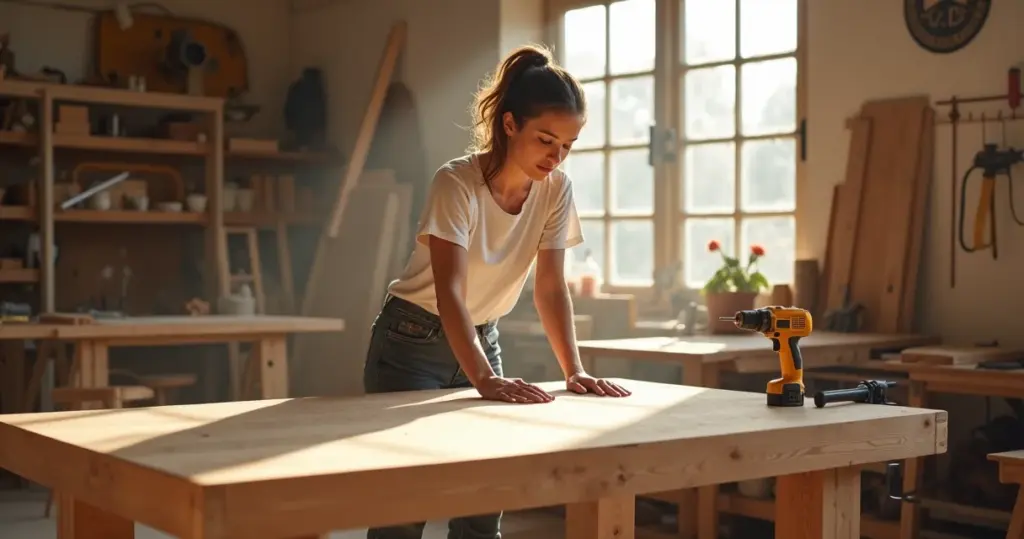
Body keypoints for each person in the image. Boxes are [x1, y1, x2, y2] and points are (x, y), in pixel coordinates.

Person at [362, 44, 631, 539]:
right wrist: (484, 380)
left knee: (486, 502)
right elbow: (450, 294)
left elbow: (550, 288)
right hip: (411, 342)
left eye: (568, 146)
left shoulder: (556, 189)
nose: (556, 157)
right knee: (406, 506)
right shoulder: (456, 183)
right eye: (546, 140)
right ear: (509, 125)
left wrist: (574, 370)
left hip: (482, 337)